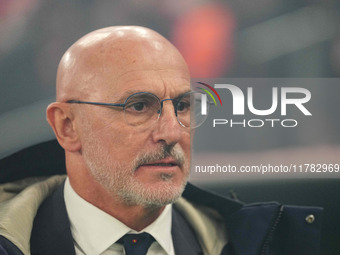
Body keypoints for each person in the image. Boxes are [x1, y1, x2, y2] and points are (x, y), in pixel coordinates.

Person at [0, 26, 322, 255]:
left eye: (183, 106)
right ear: (67, 126)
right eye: (139, 106)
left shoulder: (255, 243)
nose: (172, 132)